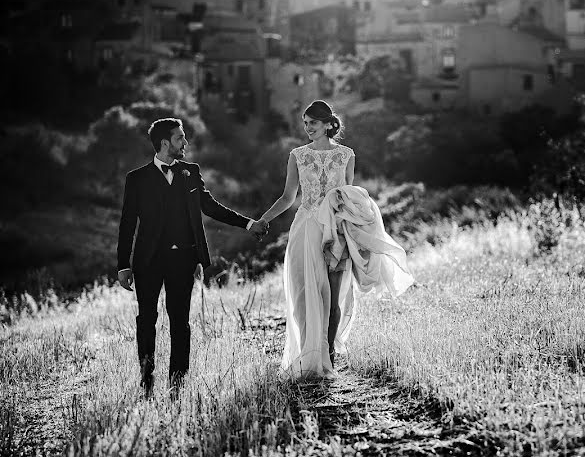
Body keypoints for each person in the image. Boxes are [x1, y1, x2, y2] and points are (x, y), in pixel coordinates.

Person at [256, 100, 413, 379]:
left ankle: (327, 358)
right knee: (305, 295)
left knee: (334, 295)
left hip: (337, 230)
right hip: (305, 229)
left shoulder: (347, 155)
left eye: (313, 123)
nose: (307, 129)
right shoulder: (297, 155)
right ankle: (308, 355)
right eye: (305, 123)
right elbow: (288, 197)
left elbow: (348, 198)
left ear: (329, 124)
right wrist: (263, 220)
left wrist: (358, 231)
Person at [117, 118, 269, 399]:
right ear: (165, 143)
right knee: (146, 319)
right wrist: (123, 265)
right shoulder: (136, 179)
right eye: (180, 138)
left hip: (183, 260)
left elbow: (211, 207)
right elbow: (127, 224)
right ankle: (146, 379)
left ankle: (178, 383)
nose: (185, 143)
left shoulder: (191, 172)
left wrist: (248, 224)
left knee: (180, 322)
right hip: (147, 262)